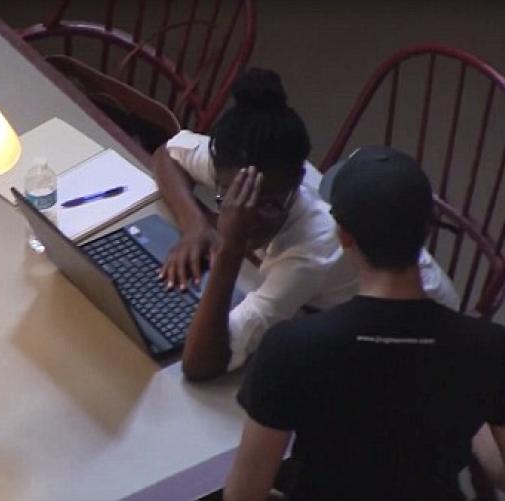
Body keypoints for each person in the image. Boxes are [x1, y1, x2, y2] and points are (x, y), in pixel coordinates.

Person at [223, 146, 505, 501]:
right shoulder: (490, 350)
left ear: (344, 235)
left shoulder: (290, 348)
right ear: (426, 230)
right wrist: (469, 404)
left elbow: (243, 496)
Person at [151, 68, 458, 381]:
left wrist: (231, 247)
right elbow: (168, 154)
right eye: (232, 197)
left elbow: (201, 363)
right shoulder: (243, 163)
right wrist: (195, 226)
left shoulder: (308, 254)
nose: (246, 216)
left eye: (268, 204)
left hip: (420, 330)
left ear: (297, 182)